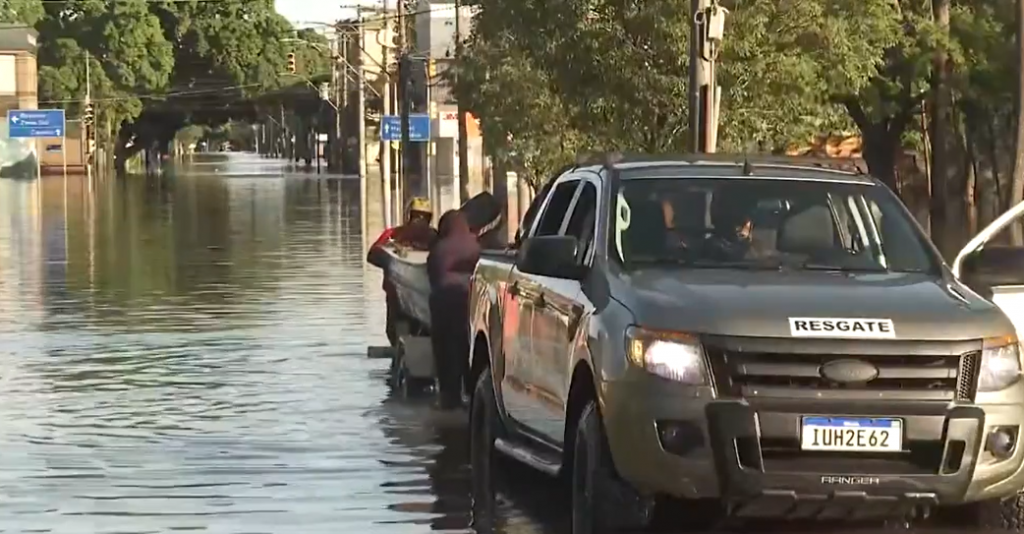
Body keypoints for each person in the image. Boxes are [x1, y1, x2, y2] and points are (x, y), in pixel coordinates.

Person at [367, 197, 439, 346]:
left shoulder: (435, 238)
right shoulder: (394, 235)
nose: (419, 220)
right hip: (403, 298)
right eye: (416, 216)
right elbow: (373, 254)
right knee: (399, 335)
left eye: (422, 217)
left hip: (420, 299)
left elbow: (373, 255)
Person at [427, 210, 480, 410]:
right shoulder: (476, 245)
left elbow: (434, 281)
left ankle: (449, 397)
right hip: (471, 304)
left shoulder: (439, 250)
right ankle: (472, 395)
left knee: (446, 352)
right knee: (468, 349)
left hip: (444, 303)